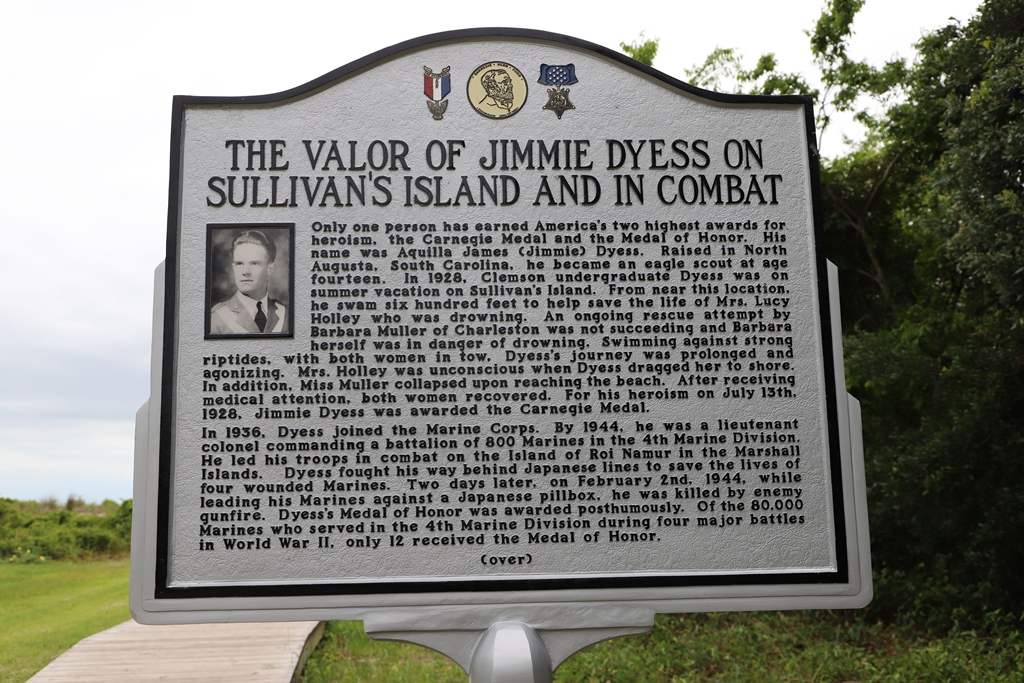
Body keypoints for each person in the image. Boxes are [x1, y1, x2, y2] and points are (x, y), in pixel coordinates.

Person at [210, 230, 288, 335]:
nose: (245, 272)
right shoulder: (216, 319)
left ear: (270, 269)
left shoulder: (286, 315)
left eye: (255, 263)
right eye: (239, 263)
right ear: (233, 267)